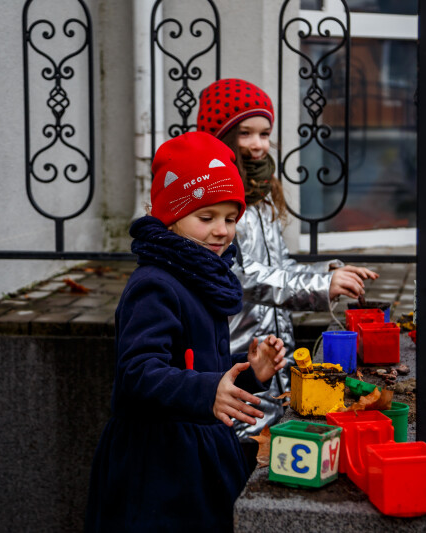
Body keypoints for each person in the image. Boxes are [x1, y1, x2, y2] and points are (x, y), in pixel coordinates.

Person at [84, 131, 287, 532]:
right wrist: (208, 391)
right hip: (158, 469)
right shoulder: (155, 285)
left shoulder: (201, 275)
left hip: (201, 453)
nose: (221, 231)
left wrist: (249, 371)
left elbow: (197, 368)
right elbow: (138, 373)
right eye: (206, 218)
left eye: (230, 219)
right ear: (171, 217)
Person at [197, 78, 379, 436]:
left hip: (274, 360)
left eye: (264, 134)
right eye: (245, 133)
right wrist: (320, 285)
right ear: (221, 137)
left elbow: (278, 268)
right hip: (236, 356)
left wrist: (329, 272)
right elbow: (241, 278)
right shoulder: (214, 199)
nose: (257, 144)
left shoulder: (262, 191)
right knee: (242, 448)